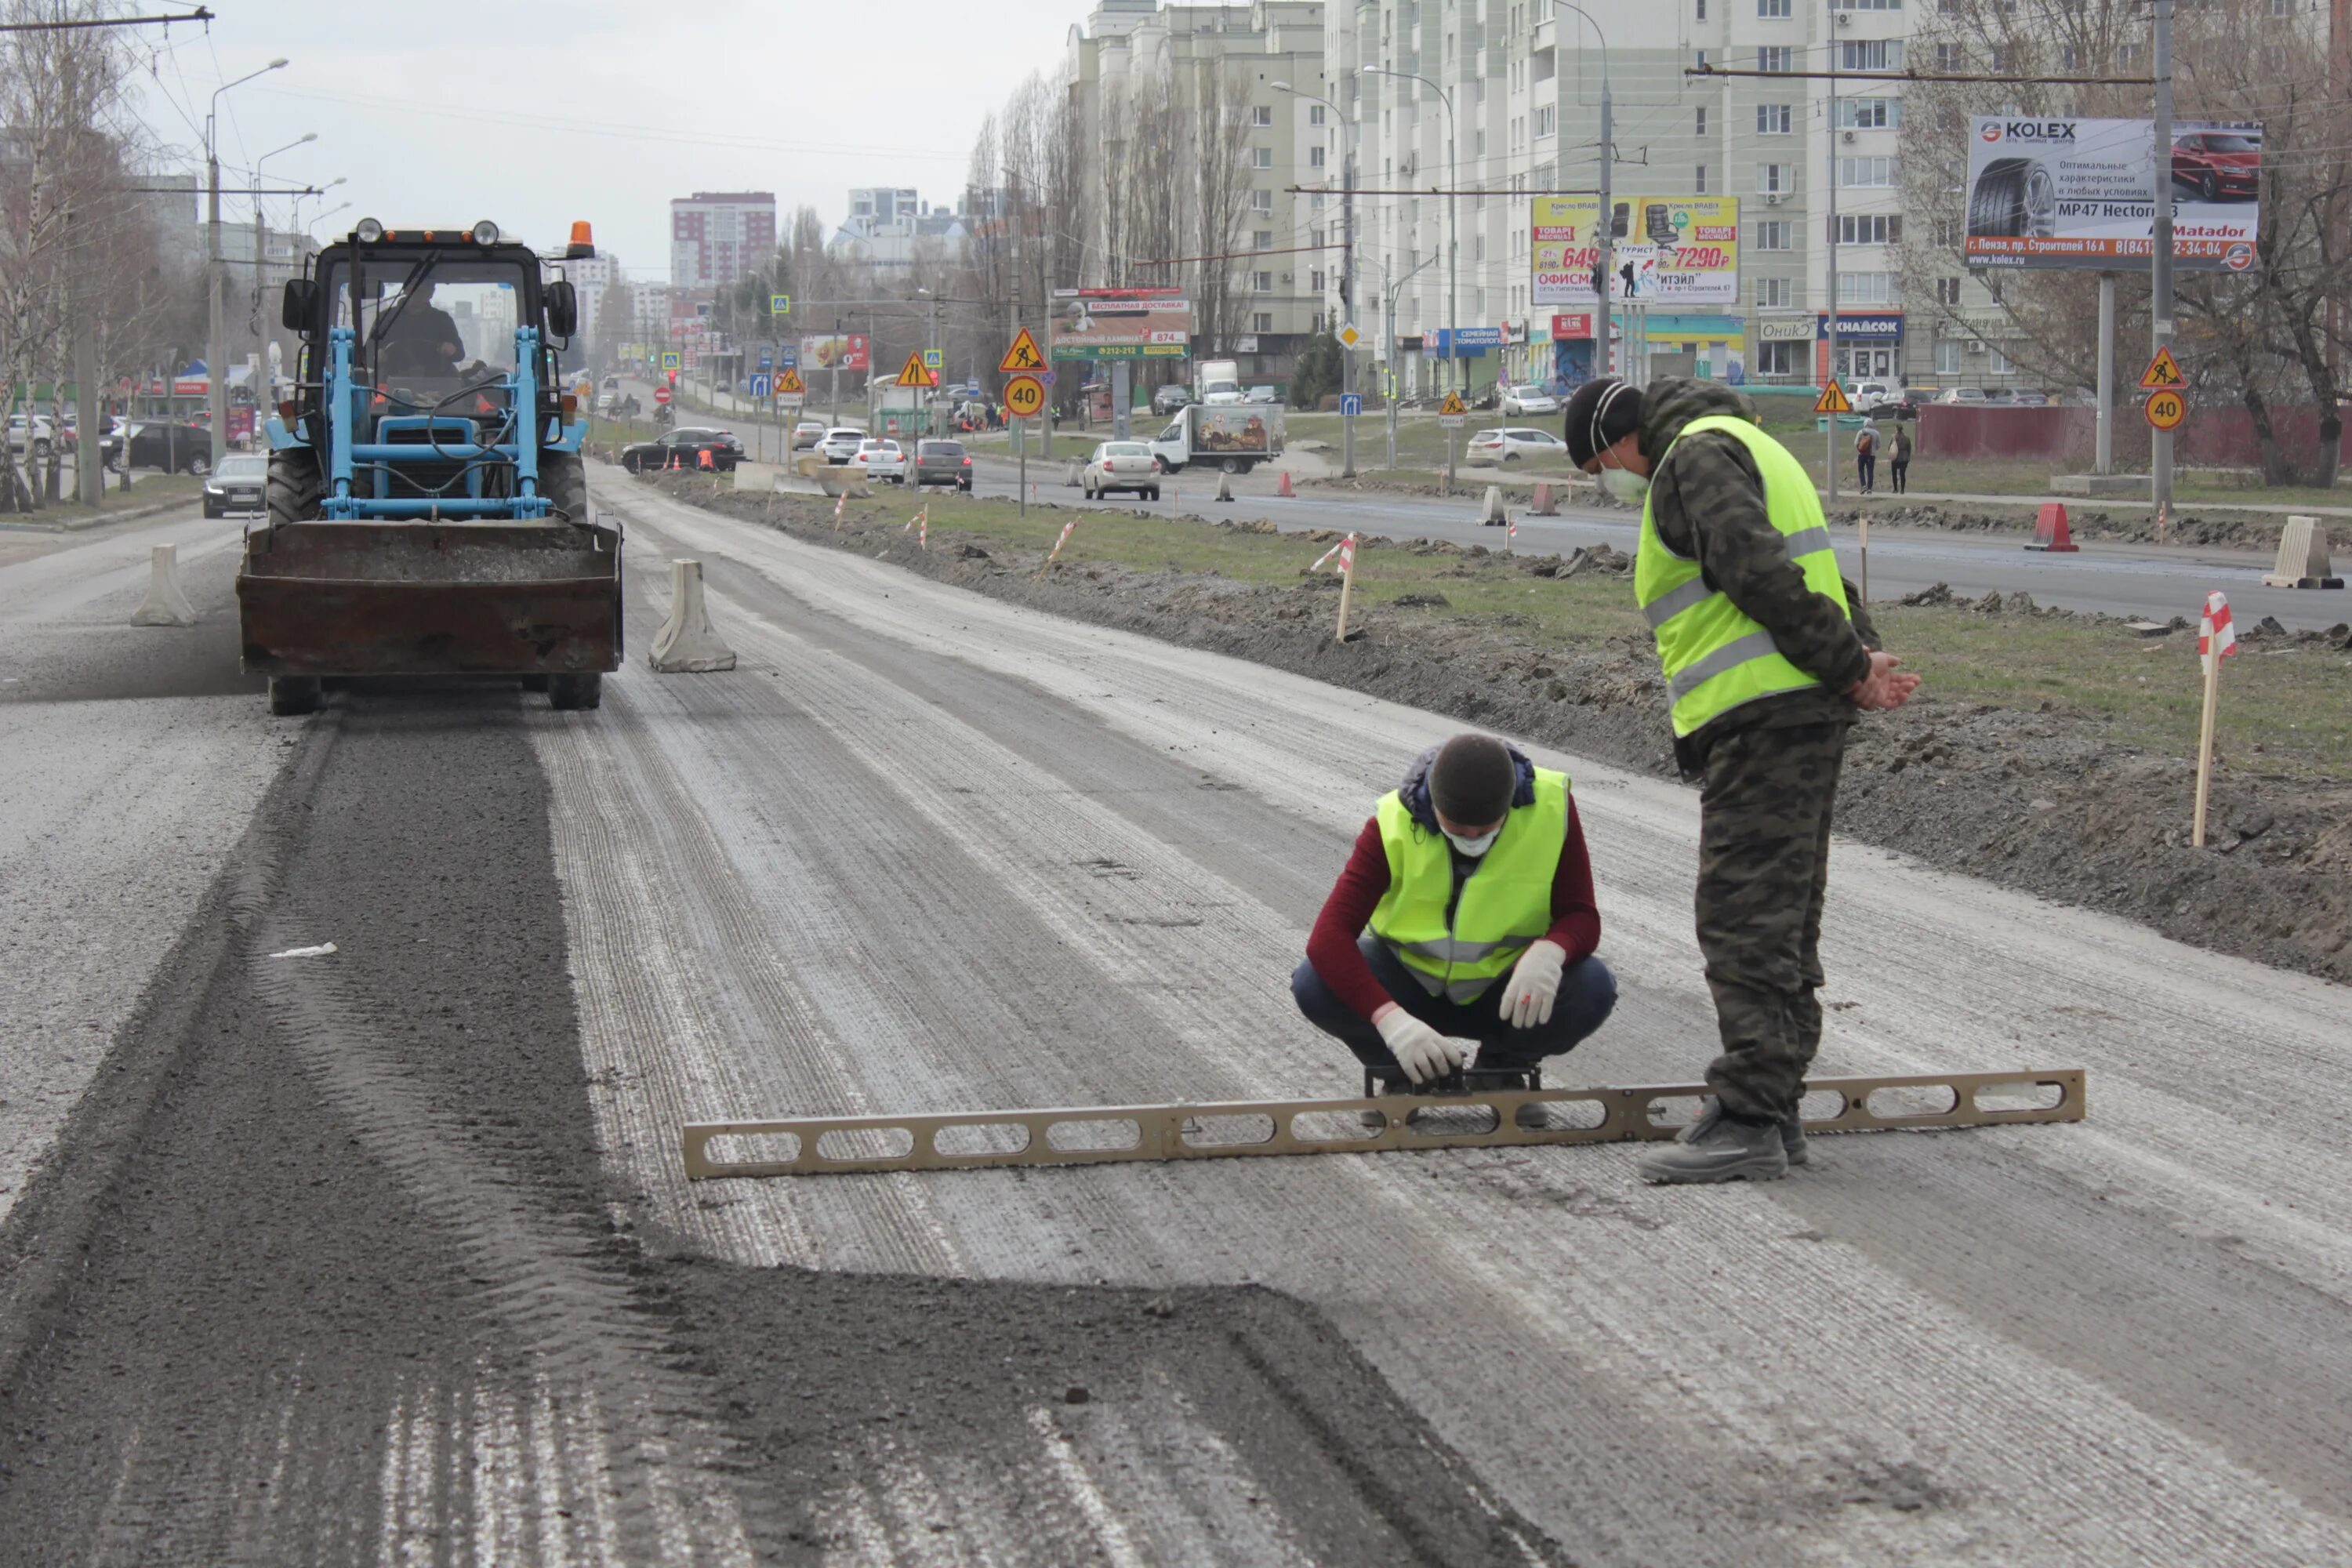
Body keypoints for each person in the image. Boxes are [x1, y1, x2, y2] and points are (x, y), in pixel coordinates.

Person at [1563, 376, 1918, 1183]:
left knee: (1743, 918)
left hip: (1764, 719)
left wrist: (1850, 665)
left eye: (1598, 468)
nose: (1609, 484)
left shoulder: (1691, 459)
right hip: (1798, 713)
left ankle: (1751, 1115)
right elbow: (1821, 575)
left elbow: (1758, 571)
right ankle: (1774, 1101)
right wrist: (1855, 659)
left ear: (1620, 440)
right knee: (1785, 917)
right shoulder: (1752, 445)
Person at [1291, 733, 1618, 1117]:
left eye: (1486, 829)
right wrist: (1390, 1021)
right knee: (1315, 982)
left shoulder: (1551, 807)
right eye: (1459, 828)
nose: (1473, 838)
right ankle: (1406, 1073)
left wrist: (1551, 950)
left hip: (1505, 992)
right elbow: (1328, 938)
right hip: (1412, 991)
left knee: (1592, 986)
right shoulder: (1393, 822)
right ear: (1435, 805)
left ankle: (1501, 1070)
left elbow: (1581, 913)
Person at [376, 280, 466, 380]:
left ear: (432, 292)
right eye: (415, 286)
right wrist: (377, 356)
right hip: (390, 386)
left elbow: (460, 354)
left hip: (437, 386)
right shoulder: (386, 318)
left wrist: (451, 350)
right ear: (405, 289)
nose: (419, 291)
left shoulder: (442, 319)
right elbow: (368, 353)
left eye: (425, 287)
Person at [1853, 420, 1878, 495]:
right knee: (1870, 471)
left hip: (1862, 454)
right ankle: (1869, 488)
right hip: (1871, 455)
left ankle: (1863, 485)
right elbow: (1879, 445)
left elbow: (1856, 443)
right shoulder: (1876, 433)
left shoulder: (1861, 432)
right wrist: (1873, 449)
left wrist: (1861, 448)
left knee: (1861, 470)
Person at [1889, 421, 1913, 495]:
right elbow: (1909, 448)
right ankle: (1902, 490)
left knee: (1894, 473)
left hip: (1896, 457)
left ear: (1896, 429)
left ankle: (1895, 489)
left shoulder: (1893, 437)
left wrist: (1890, 454)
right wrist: (1908, 456)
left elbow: (1890, 446)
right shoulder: (1907, 437)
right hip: (1905, 457)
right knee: (1902, 474)